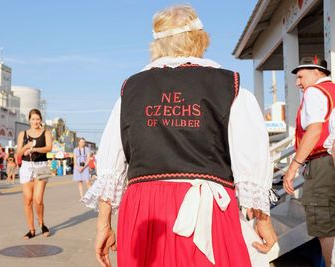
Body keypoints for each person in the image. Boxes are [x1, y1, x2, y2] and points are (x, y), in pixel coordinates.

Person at [83, 5, 277, 267]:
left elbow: (111, 162)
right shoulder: (230, 86)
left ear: (157, 45)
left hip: (145, 209)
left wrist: (103, 224)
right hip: (207, 208)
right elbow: (251, 157)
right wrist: (263, 221)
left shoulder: (131, 89)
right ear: (200, 40)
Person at [284, 55, 335, 267]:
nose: (298, 83)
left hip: (322, 161)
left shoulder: (314, 91)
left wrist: (293, 166)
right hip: (329, 159)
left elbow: (314, 130)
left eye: (301, 76)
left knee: (324, 223)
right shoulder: (332, 90)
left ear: (316, 73)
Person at [16, 109, 52, 239]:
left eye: (38, 119)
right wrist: (26, 147)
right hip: (27, 167)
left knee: (38, 199)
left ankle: (42, 223)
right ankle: (31, 230)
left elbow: (49, 148)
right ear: (29, 120)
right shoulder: (23, 134)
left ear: (40, 120)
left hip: (41, 166)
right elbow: (18, 153)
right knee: (28, 200)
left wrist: (35, 148)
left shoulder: (46, 132)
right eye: (33, 119)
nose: (35, 121)